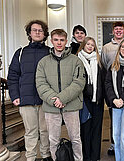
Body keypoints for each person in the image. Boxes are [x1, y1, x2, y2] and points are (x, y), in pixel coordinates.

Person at [36, 29, 86, 161]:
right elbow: (40, 84)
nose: (59, 43)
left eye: (62, 40)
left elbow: (79, 83)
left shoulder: (76, 61)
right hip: (51, 107)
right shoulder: (43, 62)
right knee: (53, 140)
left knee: (75, 138)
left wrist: (62, 98)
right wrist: (55, 100)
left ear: (66, 41)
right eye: (56, 40)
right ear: (51, 41)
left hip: (71, 105)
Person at [7, 20, 52, 161]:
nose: (37, 32)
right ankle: (30, 157)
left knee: (45, 131)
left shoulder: (50, 52)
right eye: (34, 30)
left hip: (46, 100)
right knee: (31, 132)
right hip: (26, 99)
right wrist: (14, 95)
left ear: (44, 34)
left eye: (40, 30)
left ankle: (46, 155)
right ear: (29, 33)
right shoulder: (20, 53)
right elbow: (13, 76)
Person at [76, 37, 106, 161]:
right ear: (83, 45)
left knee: (96, 130)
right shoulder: (77, 60)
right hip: (83, 102)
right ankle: (86, 156)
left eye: (92, 45)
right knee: (85, 130)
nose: (90, 46)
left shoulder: (98, 61)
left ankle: (95, 157)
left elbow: (103, 82)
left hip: (97, 102)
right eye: (87, 44)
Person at [101, 21, 124, 155]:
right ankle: (113, 144)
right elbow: (104, 66)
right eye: (116, 29)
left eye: (121, 29)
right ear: (113, 31)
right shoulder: (106, 47)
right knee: (114, 118)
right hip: (113, 88)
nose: (118, 31)